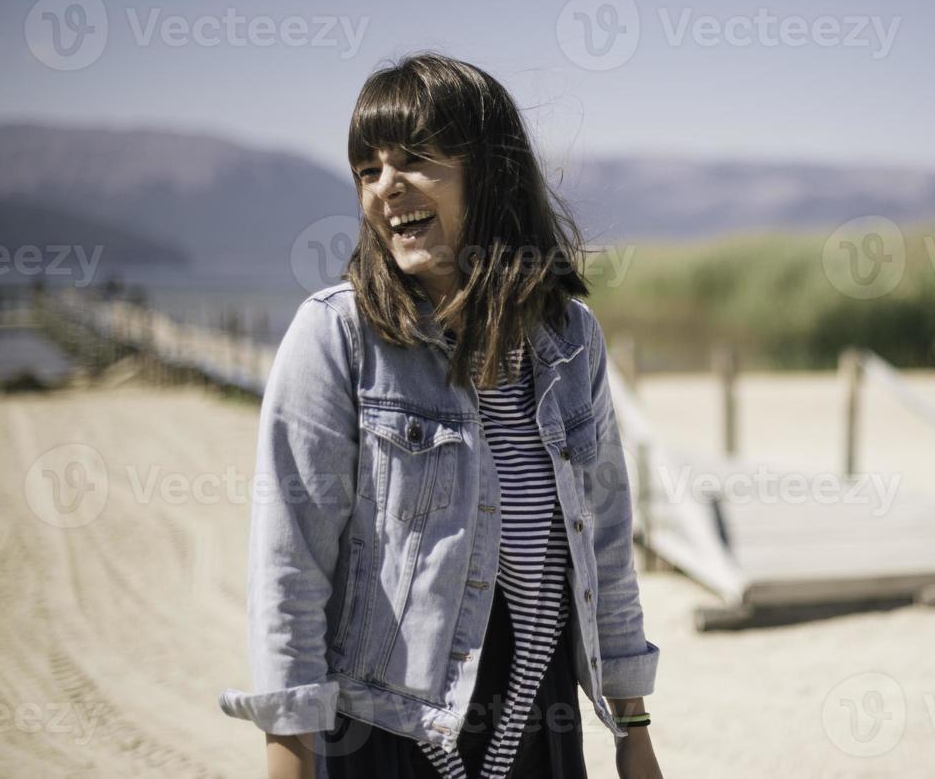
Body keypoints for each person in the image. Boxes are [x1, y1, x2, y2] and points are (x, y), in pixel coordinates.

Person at [218, 52, 664, 779]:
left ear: (488, 171)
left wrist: (633, 728)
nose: (386, 188)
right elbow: (289, 562)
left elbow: (606, 546)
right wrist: (287, 755)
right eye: (368, 170)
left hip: (541, 728)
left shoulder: (570, 338)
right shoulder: (336, 335)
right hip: (390, 734)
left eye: (415, 161)